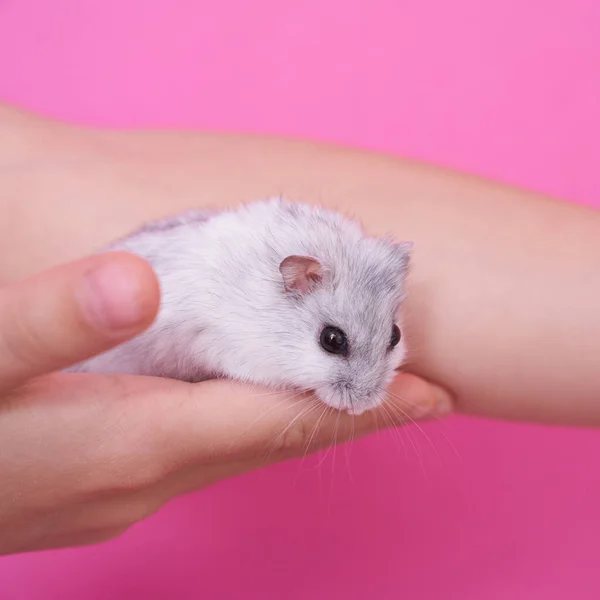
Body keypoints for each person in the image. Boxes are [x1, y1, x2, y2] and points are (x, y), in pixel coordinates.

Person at [0, 101, 598, 556]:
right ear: (297, 282)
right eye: (334, 343)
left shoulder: (355, 273)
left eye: (388, 343)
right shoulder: (251, 285)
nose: (368, 388)